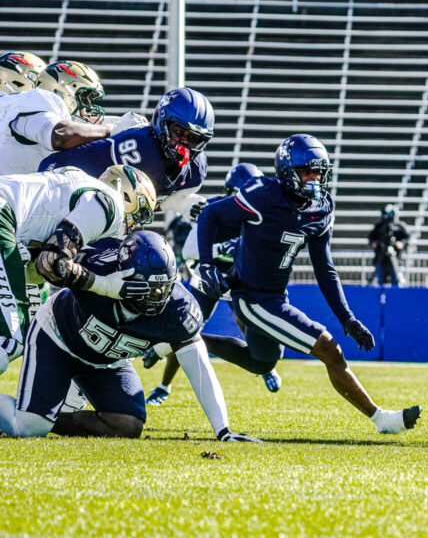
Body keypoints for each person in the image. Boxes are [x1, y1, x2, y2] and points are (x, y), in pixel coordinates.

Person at [197, 133, 420, 436]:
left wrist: (348, 318)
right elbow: (210, 214)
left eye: (319, 172)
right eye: (307, 172)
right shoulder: (262, 195)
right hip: (253, 299)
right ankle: (382, 419)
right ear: (286, 172)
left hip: (275, 296)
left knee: (262, 362)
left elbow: (325, 269)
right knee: (329, 349)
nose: (315, 179)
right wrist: (207, 264)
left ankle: (190, 341)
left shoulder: (320, 208)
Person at [0, 231, 258, 442]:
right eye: (145, 289)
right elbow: (42, 266)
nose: (154, 298)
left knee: (126, 425)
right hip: (58, 338)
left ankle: (46, 417)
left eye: (161, 289)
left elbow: (199, 365)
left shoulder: (178, 309)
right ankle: (34, 416)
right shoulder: (95, 268)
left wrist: (223, 431)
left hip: (107, 360)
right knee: (28, 426)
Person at [144, 162, 282, 406]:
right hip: (209, 272)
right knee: (187, 324)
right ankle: (164, 385)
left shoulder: (261, 211)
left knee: (248, 321)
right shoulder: (211, 209)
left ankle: (264, 366)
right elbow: (190, 251)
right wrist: (219, 250)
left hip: (239, 273)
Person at [0, 165, 158, 375]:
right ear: (127, 195)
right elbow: (52, 264)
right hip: (3, 217)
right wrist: (104, 286)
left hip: (8, 219)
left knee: (24, 329)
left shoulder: (77, 182)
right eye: (140, 213)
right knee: (9, 342)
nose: (135, 223)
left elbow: (35, 269)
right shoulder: (109, 204)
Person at [39, 87, 213, 218]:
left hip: (96, 204)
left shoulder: (196, 169)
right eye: (179, 132)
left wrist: (177, 203)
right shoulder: (141, 148)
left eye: (193, 138)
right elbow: (127, 206)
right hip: (59, 181)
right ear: (162, 122)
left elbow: (149, 203)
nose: (184, 141)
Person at [0, 60, 146, 176]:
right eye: (84, 97)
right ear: (59, 91)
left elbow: (80, 125)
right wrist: (115, 130)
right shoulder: (39, 99)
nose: (88, 106)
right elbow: (60, 135)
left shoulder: (22, 106)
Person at [368, 204, 410, 286]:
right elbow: (371, 238)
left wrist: (400, 243)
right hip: (381, 257)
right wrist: (375, 243)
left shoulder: (400, 226)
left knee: (397, 281)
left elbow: (407, 238)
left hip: (396, 258)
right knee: (379, 281)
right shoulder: (378, 226)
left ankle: (396, 297)